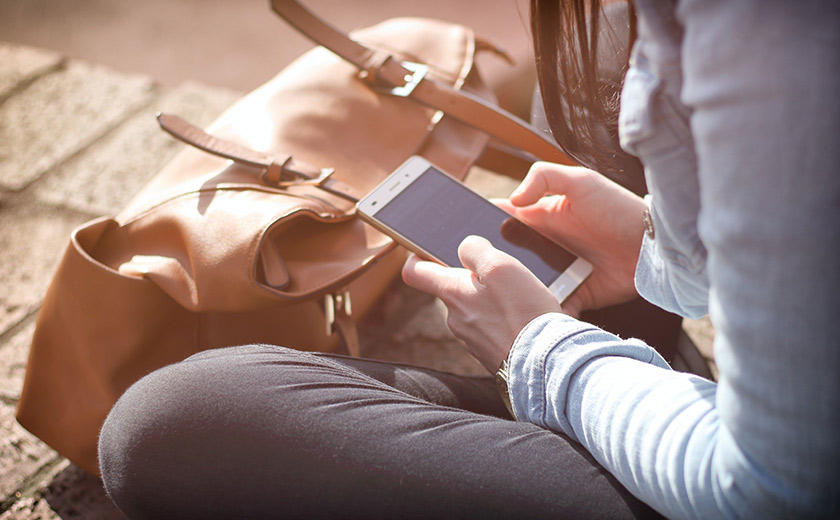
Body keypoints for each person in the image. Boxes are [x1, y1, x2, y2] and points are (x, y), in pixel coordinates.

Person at [97, 0, 840, 518]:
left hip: (761, 485)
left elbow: (774, 491)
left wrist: (543, 351)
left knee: (172, 425)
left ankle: (625, 404)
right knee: (599, 58)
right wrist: (658, 250)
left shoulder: (771, 58)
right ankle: (649, 385)